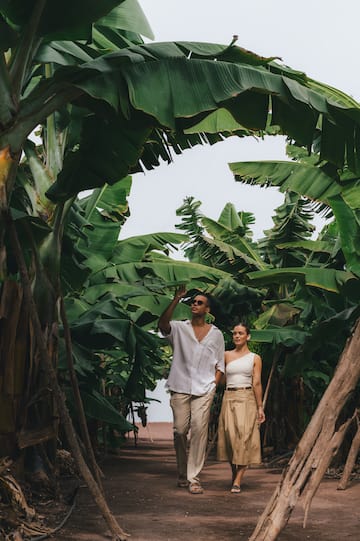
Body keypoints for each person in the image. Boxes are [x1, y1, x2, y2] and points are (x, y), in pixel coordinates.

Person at [158, 286, 225, 494]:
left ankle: (193, 478)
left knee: (198, 430)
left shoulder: (216, 334)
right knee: (179, 430)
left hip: (205, 388)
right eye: (193, 302)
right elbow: (162, 325)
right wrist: (177, 298)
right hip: (180, 386)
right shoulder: (179, 328)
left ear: (207, 309)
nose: (194, 305)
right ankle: (181, 472)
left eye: (199, 303)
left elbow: (220, 364)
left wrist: (214, 384)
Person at [217, 322, 265, 493]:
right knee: (230, 436)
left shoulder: (255, 358)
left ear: (248, 336)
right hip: (229, 396)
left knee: (244, 436)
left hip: (247, 397)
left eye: (240, 333)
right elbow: (221, 380)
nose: (237, 336)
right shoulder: (226, 355)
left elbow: (257, 382)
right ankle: (234, 472)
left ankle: (238, 480)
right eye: (235, 333)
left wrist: (260, 407)